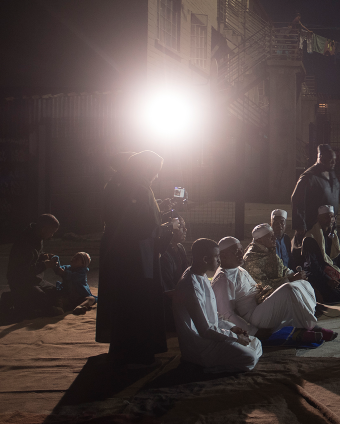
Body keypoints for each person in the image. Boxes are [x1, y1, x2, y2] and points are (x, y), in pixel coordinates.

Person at [95, 150, 170, 366]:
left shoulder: (120, 183)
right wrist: (163, 229)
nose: (156, 176)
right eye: (155, 171)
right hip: (135, 254)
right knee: (139, 299)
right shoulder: (136, 186)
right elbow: (139, 223)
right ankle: (139, 349)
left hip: (123, 252)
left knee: (124, 300)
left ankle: (125, 348)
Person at [211, 236, 331, 343]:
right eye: (236, 252)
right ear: (223, 256)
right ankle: (310, 326)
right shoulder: (223, 279)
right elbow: (227, 314)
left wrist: (264, 294)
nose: (240, 254)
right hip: (253, 318)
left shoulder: (238, 269)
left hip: (261, 306)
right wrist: (254, 331)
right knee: (288, 289)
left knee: (301, 283)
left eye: (241, 250)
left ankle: (306, 323)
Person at [173, 238, 263, 372]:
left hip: (213, 336)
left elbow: (212, 315)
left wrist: (233, 328)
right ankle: (205, 368)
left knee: (256, 342)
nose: (219, 261)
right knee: (249, 357)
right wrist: (235, 338)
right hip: (201, 346)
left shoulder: (201, 275)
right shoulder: (190, 286)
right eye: (216, 257)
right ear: (205, 259)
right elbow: (204, 331)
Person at [2, 214, 63, 317]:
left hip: (34, 279)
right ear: (44, 229)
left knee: (56, 293)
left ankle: (22, 299)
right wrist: (45, 265)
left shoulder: (38, 236)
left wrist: (44, 256)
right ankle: (11, 297)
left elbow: (36, 256)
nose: (52, 235)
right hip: (21, 281)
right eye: (52, 232)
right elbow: (23, 271)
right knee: (41, 303)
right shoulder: (25, 243)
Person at [297, 206, 340, 303]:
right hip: (316, 274)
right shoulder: (310, 238)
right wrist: (327, 280)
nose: (330, 219)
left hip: (331, 272)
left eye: (332, 217)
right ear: (319, 218)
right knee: (332, 294)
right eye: (327, 217)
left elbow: (339, 258)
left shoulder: (333, 235)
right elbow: (313, 265)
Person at [290, 144, 340, 252]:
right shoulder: (309, 176)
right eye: (331, 160)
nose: (334, 163)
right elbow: (297, 199)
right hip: (313, 224)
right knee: (314, 253)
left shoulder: (331, 174)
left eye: (334, 160)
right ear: (321, 158)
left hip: (328, 223)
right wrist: (300, 224)